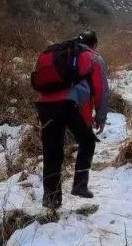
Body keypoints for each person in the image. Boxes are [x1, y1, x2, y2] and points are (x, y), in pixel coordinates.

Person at [34, 30, 109, 209]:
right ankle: (80, 185)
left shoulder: (58, 53)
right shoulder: (92, 57)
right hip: (71, 104)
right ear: (94, 44)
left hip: (45, 105)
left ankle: (51, 199)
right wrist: (100, 116)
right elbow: (101, 90)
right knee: (87, 141)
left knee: (52, 151)